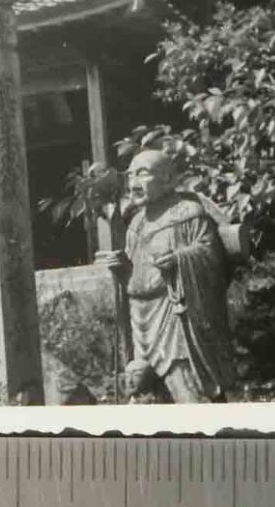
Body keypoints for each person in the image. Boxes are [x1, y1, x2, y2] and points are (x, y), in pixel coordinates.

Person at [100, 149, 237, 403]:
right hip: (141, 317)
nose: (134, 184)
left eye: (143, 175)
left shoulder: (187, 213)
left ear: (168, 179)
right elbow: (137, 270)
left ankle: (202, 433)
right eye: (130, 177)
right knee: (144, 389)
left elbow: (210, 257)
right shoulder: (136, 222)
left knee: (184, 381)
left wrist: (179, 259)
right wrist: (122, 268)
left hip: (176, 315)